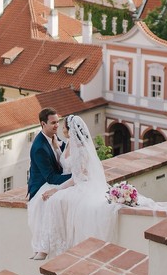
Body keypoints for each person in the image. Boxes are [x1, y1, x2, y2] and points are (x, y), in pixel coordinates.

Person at [31, 114, 117, 259]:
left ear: (70, 129)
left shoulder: (82, 149)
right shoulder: (69, 143)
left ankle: (48, 248)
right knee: (46, 200)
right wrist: (56, 148)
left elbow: (77, 178)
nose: (60, 128)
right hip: (71, 181)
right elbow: (64, 162)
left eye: (63, 126)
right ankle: (43, 246)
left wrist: (57, 189)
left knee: (54, 200)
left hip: (80, 184)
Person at [27, 108, 70, 259]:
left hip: (55, 177)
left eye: (58, 122)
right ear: (43, 124)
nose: (57, 125)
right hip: (41, 184)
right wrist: (74, 178)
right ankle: (43, 246)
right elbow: (50, 177)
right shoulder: (39, 147)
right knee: (47, 202)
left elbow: (64, 154)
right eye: (53, 123)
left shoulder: (53, 136)